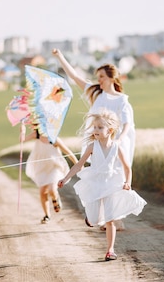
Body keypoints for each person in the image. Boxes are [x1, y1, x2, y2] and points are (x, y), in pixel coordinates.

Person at [52, 48, 135, 230]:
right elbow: (73, 76)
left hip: (116, 144)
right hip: (98, 141)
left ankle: (114, 217)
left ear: (112, 78)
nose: (99, 80)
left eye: (102, 77)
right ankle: (102, 216)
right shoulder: (96, 93)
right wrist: (60, 56)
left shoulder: (122, 101)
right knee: (98, 177)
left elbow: (127, 124)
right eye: (98, 77)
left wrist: (119, 139)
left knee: (115, 180)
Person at [58, 110, 146, 261]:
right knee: (94, 219)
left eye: (99, 127)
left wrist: (128, 183)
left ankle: (110, 250)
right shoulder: (92, 146)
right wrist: (65, 178)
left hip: (111, 183)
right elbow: (79, 165)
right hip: (95, 182)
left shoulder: (117, 147)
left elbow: (127, 167)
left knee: (110, 218)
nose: (95, 130)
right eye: (95, 127)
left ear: (110, 130)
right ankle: (90, 218)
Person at [25, 126, 79, 224]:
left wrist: (78, 164)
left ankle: (55, 198)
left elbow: (68, 152)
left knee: (52, 189)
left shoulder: (54, 139)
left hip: (54, 167)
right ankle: (47, 215)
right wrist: (22, 131)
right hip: (41, 168)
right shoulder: (36, 135)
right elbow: (22, 140)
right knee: (42, 192)